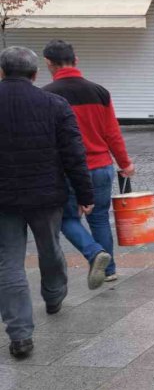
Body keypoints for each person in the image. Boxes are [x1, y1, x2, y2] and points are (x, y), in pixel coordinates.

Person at [0, 47, 94, 359]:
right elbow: (73, 154)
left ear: (1, 72)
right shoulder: (54, 104)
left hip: (4, 200)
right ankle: (54, 296)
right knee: (49, 247)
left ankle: (20, 334)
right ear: (35, 73)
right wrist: (85, 194)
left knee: (9, 262)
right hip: (46, 195)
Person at [43, 41, 134, 286]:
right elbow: (112, 133)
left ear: (48, 63)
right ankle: (109, 269)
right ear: (76, 60)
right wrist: (125, 163)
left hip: (68, 169)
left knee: (68, 219)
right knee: (100, 218)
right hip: (101, 166)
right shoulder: (99, 91)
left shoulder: (47, 95)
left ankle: (94, 253)